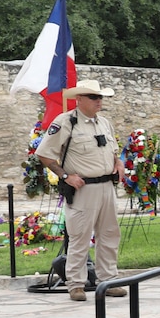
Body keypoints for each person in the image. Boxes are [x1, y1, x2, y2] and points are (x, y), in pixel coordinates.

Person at [38, 78, 124, 303]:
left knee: (109, 235)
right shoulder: (66, 122)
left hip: (106, 186)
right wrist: (66, 176)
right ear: (80, 99)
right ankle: (76, 284)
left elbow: (112, 149)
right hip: (83, 188)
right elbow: (45, 154)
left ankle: (109, 280)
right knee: (80, 236)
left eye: (100, 97)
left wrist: (118, 163)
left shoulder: (104, 122)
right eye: (94, 97)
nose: (99, 101)